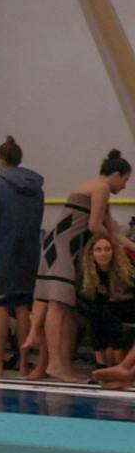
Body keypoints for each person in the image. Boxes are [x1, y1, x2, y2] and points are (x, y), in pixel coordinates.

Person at [24, 147, 132, 383]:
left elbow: (114, 232)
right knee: (58, 306)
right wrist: (111, 249)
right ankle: (55, 364)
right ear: (116, 174)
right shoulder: (101, 187)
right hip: (63, 248)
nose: (124, 186)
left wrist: (129, 248)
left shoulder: (96, 189)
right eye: (125, 180)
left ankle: (52, 364)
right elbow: (96, 227)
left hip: (61, 247)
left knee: (65, 309)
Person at [0, 136, 43, 380]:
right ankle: (24, 363)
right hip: (28, 254)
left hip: (0, 254)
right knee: (23, 308)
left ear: (0, 159)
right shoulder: (36, 188)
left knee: (1, 309)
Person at [76, 234, 135, 369]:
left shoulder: (126, 267)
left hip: (129, 307)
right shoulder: (89, 272)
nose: (104, 254)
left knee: (109, 312)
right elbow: (87, 298)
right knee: (98, 313)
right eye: (99, 250)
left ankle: (117, 361)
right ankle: (102, 361)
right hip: (106, 309)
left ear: (114, 251)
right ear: (92, 254)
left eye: (108, 249)